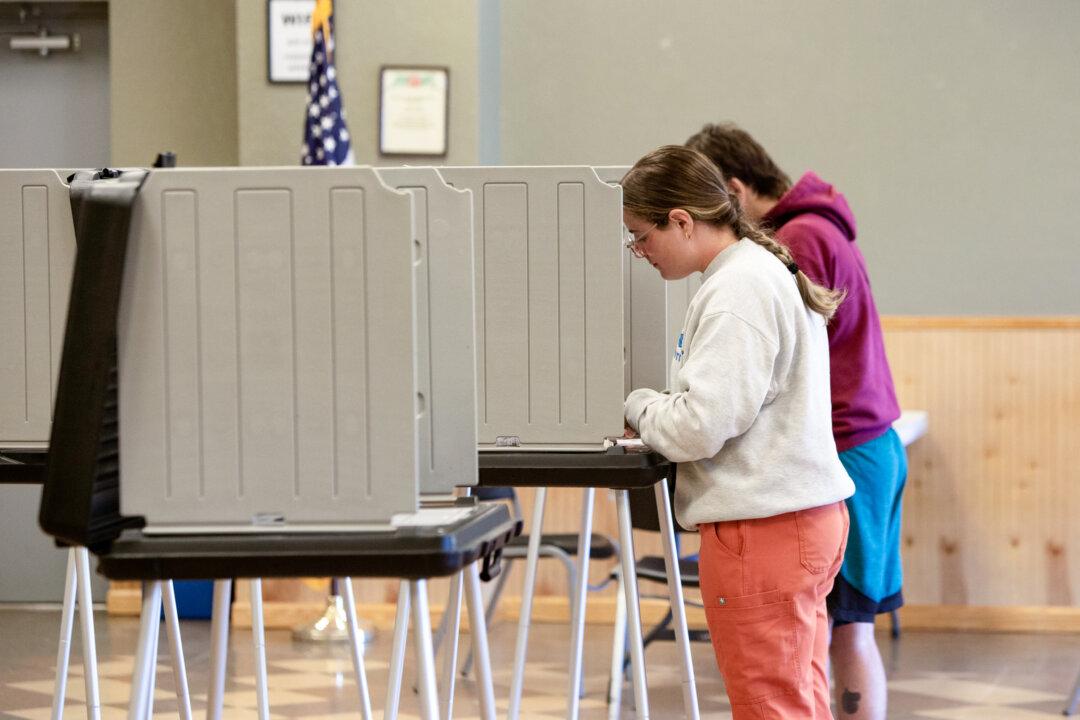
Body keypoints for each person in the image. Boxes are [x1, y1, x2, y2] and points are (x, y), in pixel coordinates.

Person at [622, 145, 854, 719]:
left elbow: (702, 425)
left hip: (763, 532)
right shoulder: (756, 270)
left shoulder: (737, 290)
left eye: (641, 235)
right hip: (793, 524)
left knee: (771, 706)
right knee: (796, 698)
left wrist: (641, 405)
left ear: (681, 220)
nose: (639, 251)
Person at [687, 122, 906, 720]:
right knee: (840, 631)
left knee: (848, 631)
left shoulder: (798, 239)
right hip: (869, 443)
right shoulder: (818, 225)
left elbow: (782, 366)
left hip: (849, 448)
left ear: (734, 187)